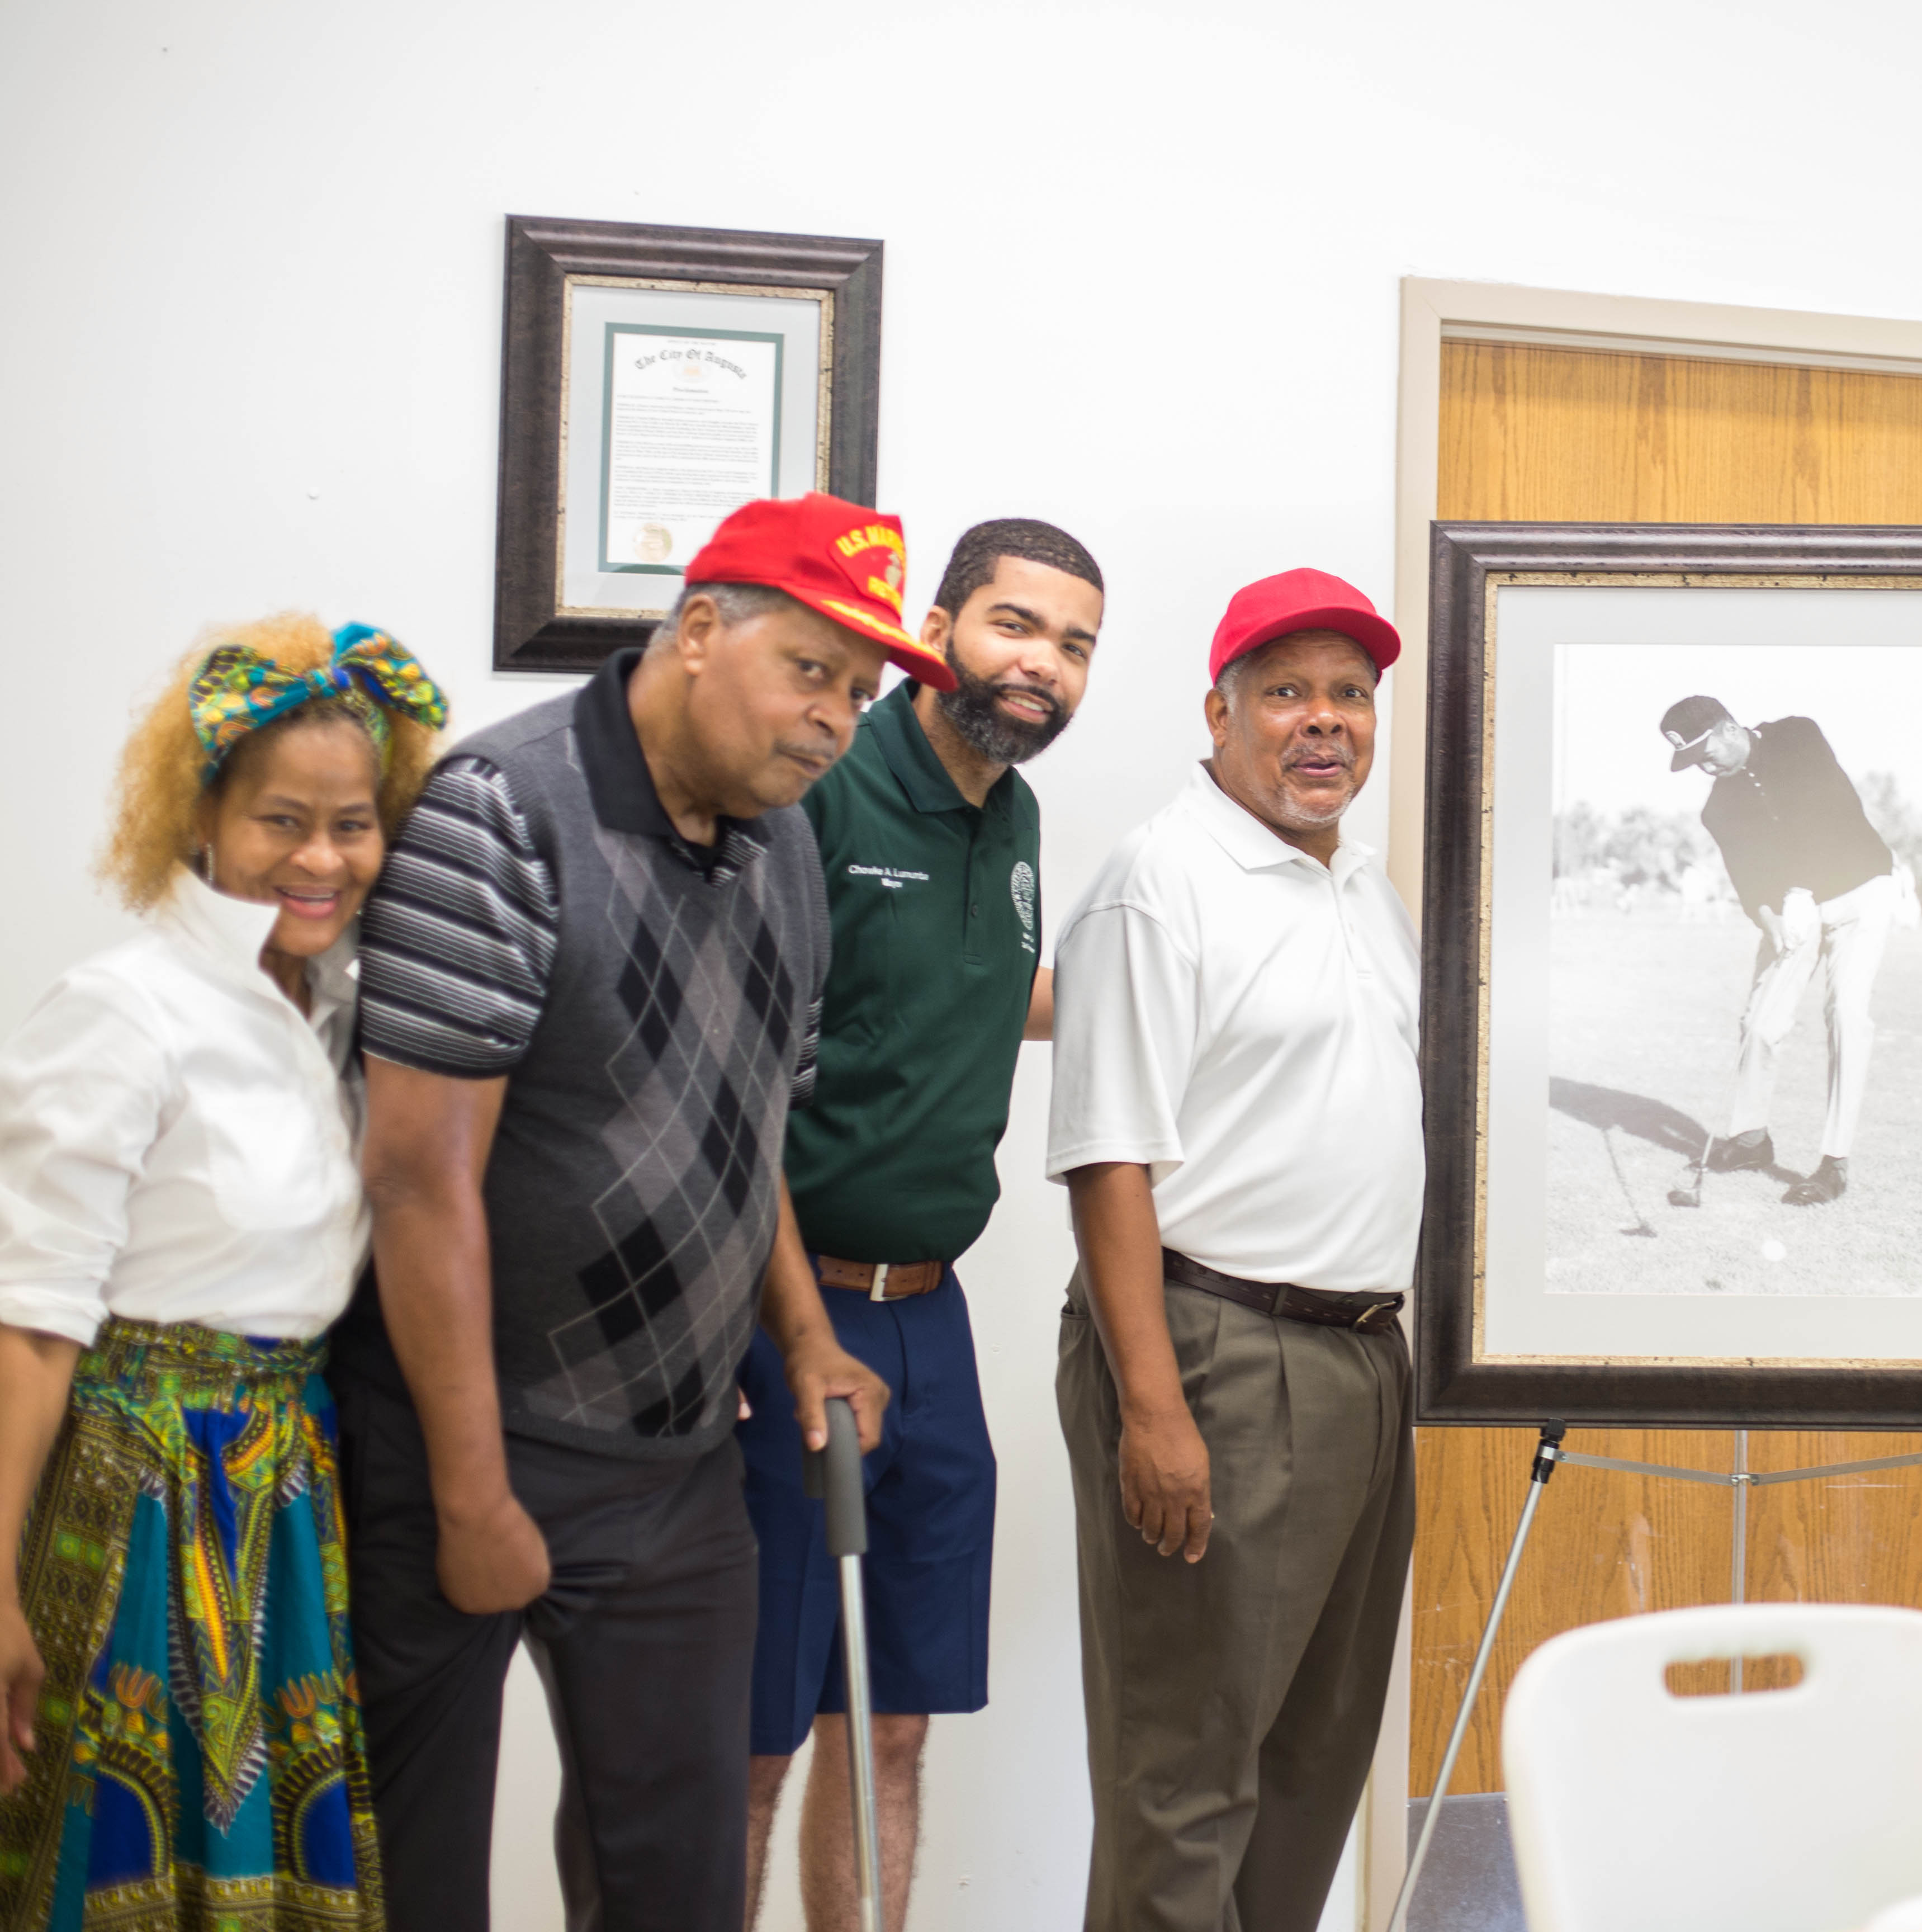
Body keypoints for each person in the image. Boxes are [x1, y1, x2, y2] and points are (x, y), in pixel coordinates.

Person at [333, 494, 943, 1929]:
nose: (834, 719)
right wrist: (475, 1490)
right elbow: (417, 1179)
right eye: (809, 669)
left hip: (673, 1462)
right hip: (453, 1437)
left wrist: (804, 1340)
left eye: (858, 694)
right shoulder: (499, 812)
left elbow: (749, 1136)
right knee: (413, 1878)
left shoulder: (787, 845)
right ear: (696, 630)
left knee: (672, 1888)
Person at [0, 616, 447, 1928]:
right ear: (203, 816)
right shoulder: (124, 1008)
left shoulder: (350, 999)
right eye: (281, 821)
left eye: (354, 823)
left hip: (287, 1480)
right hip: (133, 1481)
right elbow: (30, 1318)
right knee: (111, 1850)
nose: (320, 859)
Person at [740, 518, 1105, 1932]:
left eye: (1073, 646)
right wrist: (778, 1324)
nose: (1041, 666)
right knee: (758, 1729)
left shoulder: (1009, 815)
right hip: (787, 1307)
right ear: (938, 623)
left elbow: (973, 990)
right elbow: (745, 1062)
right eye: (1014, 626)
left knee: (889, 1722)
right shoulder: (825, 784)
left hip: (931, 1312)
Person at [1047, 568, 1420, 1932]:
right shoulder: (1162, 880)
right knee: (1185, 1780)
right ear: (1217, 711)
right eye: (1285, 694)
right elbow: (1106, 1157)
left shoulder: (1362, 888)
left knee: (1313, 1769)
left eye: (1348, 695)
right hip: (1213, 1351)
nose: (1322, 724)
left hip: (1361, 1363)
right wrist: (1153, 1408)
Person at [1655, 694, 1903, 1206]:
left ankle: (1834, 1163)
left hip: (1861, 890)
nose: (1704, 766)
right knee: (1760, 1023)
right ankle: (1750, 1140)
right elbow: (1749, 883)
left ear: (1728, 729)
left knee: (1846, 1015)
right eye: (1692, 760)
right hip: (1795, 910)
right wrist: (1771, 922)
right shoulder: (1718, 808)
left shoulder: (1798, 736)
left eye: (1705, 752)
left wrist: (1797, 891)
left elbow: (1828, 812)